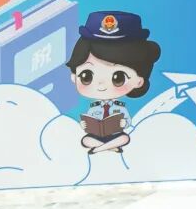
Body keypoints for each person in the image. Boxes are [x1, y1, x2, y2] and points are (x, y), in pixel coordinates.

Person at [66, 11, 161, 155]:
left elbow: (126, 121)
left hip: (116, 134)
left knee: (124, 138)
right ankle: (109, 147)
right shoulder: (94, 108)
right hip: (96, 135)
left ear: (139, 81)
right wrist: (85, 125)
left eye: (118, 78)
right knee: (86, 140)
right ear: (74, 76)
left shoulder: (119, 107)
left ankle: (99, 148)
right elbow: (89, 121)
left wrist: (123, 123)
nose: (101, 86)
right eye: (87, 76)